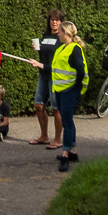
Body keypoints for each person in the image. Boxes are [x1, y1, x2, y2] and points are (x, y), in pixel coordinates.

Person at [52, 21, 88, 172]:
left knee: (66, 123)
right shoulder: (62, 48)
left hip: (69, 91)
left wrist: (75, 88)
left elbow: (81, 70)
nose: (58, 33)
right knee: (68, 121)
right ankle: (72, 152)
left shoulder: (75, 49)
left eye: (59, 31)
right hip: (60, 90)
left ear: (65, 33)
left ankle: (65, 155)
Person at [28, 9, 64, 149]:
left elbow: (57, 63)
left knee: (56, 108)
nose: (54, 22)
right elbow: (47, 53)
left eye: (57, 20)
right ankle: (44, 136)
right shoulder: (46, 35)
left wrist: (40, 64)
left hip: (55, 76)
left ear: (61, 22)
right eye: (52, 19)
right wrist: (38, 50)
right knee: (38, 105)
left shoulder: (61, 38)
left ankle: (57, 139)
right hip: (43, 75)